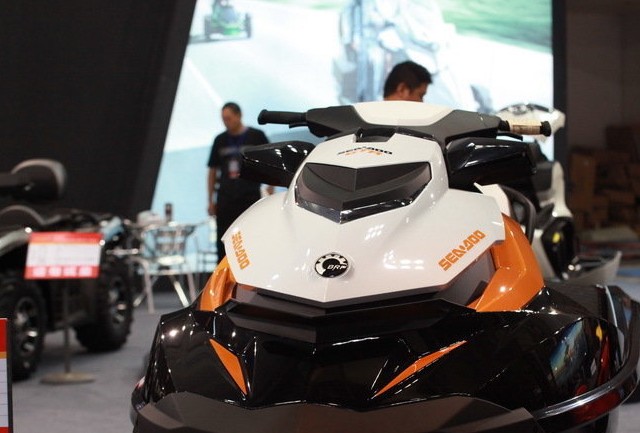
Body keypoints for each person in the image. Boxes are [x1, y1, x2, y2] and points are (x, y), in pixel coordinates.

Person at [207, 101, 270, 262]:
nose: (226, 122)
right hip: (226, 196)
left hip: (249, 195)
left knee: (251, 235)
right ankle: (224, 272)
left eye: (228, 118)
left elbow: (270, 162)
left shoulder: (256, 136)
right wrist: (210, 200)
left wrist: (271, 188)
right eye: (223, 119)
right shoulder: (220, 140)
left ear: (239, 115)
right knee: (223, 238)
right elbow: (212, 170)